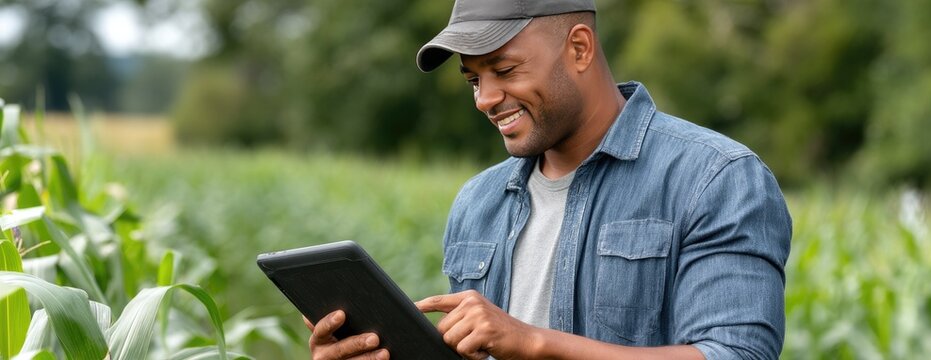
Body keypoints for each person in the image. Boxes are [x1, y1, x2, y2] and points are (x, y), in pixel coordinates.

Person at [304, 0, 792, 359]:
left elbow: (737, 354)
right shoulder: (478, 203)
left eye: (504, 69)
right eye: (474, 79)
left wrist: (533, 341)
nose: (484, 98)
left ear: (579, 47)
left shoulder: (715, 179)